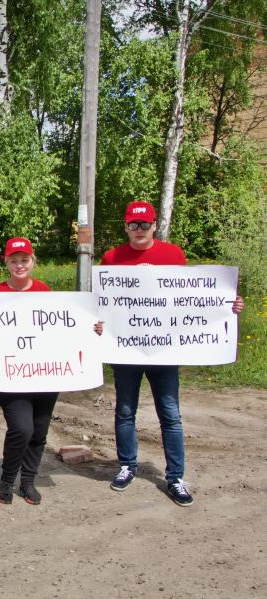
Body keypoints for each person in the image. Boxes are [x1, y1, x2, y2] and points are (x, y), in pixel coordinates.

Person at [101, 200, 244, 506]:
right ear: (126, 226)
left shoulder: (173, 254)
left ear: (154, 225)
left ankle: (175, 477)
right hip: (126, 349)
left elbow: (190, 296)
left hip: (164, 349)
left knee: (170, 413)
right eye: (133, 224)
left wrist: (228, 305)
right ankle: (127, 465)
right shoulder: (112, 258)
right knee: (125, 410)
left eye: (145, 224)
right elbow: (104, 302)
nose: (139, 230)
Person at [0, 237, 101, 505]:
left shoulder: (45, 292)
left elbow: (64, 329)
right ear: (6, 262)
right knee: (21, 429)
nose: (19, 265)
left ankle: (28, 482)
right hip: (11, 377)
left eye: (24, 259)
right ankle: (7, 481)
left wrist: (91, 330)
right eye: (14, 260)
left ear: (33, 261)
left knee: (38, 431)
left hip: (46, 376)